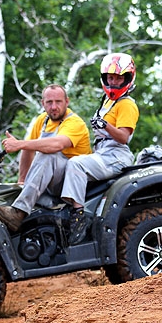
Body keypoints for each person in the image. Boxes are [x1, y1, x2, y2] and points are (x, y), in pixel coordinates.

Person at [0, 84, 91, 232]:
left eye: (58, 102)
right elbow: (28, 151)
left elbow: (56, 144)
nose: (54, 107)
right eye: (49, 102)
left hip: (74, 184)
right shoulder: (42, 120)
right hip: (54, 182)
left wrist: (20, 144)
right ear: (43, 103)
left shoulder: (75, 122)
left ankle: (18, 213)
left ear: (67, 102)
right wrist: (22, 181)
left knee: (47, 154)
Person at [60, 52, 140, 244]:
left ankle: (79, 218)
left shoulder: (127, 104)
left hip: (116, 155)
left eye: (118, 78)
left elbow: (123, 137)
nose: (113, 82)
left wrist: (105, 125)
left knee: (76, 165)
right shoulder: (107, 101)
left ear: (127, 78)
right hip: (102, 152)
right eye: (110, 78)